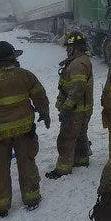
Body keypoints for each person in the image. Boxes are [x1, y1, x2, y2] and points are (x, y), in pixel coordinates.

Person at [0, 41, 50, 217]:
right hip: (24, 131)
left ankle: (0, 205)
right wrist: (45, 113)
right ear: (12, 56)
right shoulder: (26, 75)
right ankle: (32, 197)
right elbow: (40, 96)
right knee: (27, 162)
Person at [46, 31, 93, 179]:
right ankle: (81, 159)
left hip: (75, 110)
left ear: (76, 47)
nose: (67, 49)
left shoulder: (78, 64)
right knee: (80, 135)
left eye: (69, 47)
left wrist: (66, 108)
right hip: (81, 108)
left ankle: (62, 169)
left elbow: (77, 89)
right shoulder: (80, 60)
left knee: (66, 137)